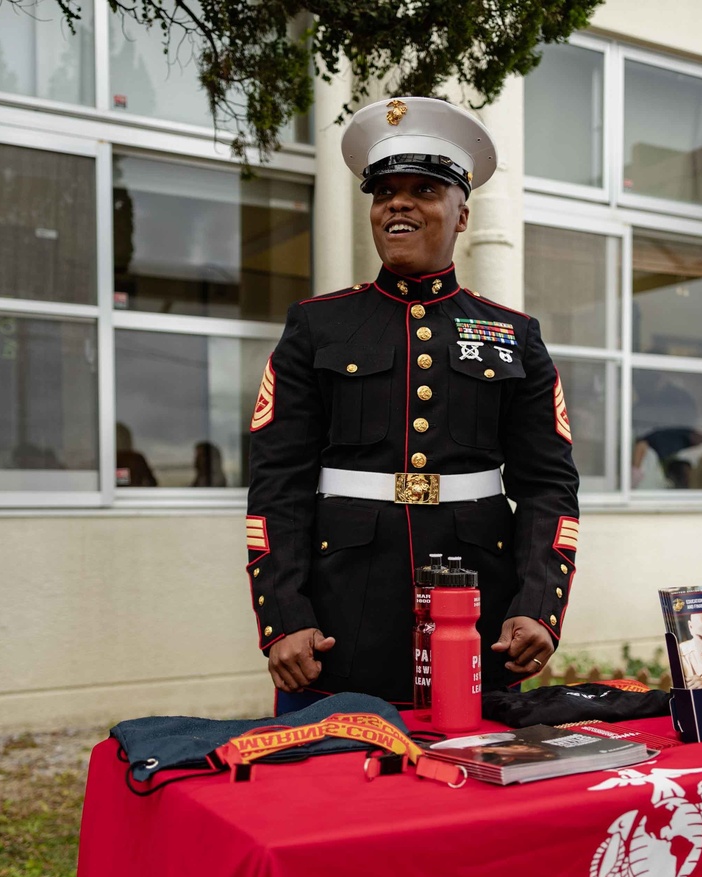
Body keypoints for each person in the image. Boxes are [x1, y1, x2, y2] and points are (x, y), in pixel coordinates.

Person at [246, 97, 580, 706]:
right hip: (336, 622)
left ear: (462, 215)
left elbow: (548, 487)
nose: (398, 204)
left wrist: (538, 606)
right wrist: (284, 616)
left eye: (425, 189)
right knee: (336, 789)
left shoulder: (513, 335)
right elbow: (277, 485)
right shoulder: (317, 327)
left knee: (474, 783)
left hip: (479, 618)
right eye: (384, 193)